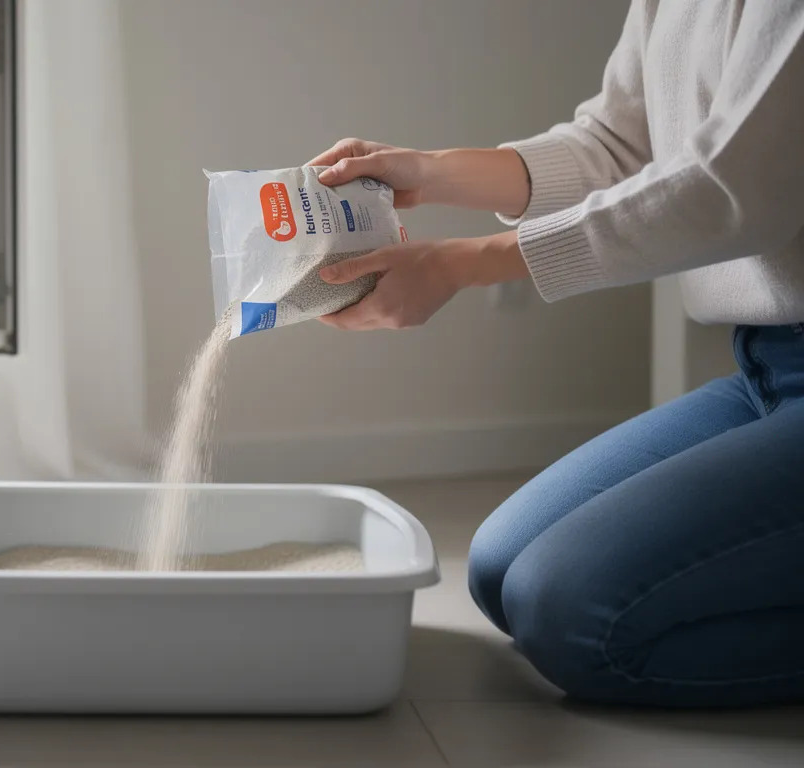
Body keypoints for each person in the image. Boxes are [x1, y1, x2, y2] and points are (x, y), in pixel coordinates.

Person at [309, 0, 804, 708]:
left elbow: (734, 189)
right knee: (500, 571)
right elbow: (615, 147)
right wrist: (426, 170)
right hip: (768, 370)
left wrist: (464, 263)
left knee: (577, 619)